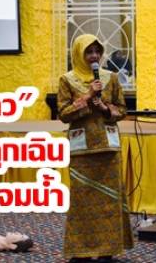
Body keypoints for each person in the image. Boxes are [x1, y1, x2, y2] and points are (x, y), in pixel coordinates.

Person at [57, 34, 133, 262]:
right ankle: (81, 251)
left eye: (97, 51)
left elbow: (122, 110)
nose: (94, 56)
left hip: (108, 148)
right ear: (79, 54)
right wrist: (88, 96)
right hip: (82, 149)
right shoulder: (67, 80)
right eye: (89, 52)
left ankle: (107, 251)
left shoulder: (111, 78)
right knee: (82, 201)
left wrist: (106, 109)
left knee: (110, 200)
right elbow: (63, 114)